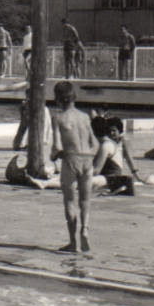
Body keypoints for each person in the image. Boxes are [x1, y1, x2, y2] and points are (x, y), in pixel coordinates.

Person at [49, 80, 96, 254]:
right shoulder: (84, 117)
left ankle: (72, 243)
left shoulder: (58, 118)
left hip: (71, 159)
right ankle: (85, 228)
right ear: (74, 97)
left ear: (58, 98)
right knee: (85, 200)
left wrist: (52, 157)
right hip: (87, 159)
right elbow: (94, 143)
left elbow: (57, 147)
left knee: (69, 200)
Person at [90, 116, 143, 196]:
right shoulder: (112, 144)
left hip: (110, 180)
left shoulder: (110, 144)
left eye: (114, 131)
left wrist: (138, 177)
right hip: (112, 178)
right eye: (110, 131)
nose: (111, 133)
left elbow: (129, 160)